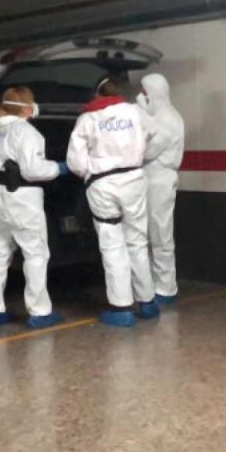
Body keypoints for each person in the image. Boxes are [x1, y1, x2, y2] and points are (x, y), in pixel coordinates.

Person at [67, 78, 158, 327]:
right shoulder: (135, 112)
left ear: (96, 94)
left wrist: (90, 172)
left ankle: (121, 308)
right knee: (137, 241)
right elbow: (153, 135)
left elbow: (75, 162)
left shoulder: (88, 119)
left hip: (103, 184)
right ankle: (148, 302)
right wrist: (136, 155)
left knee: (112, 244)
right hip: (134, 180)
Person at [0, 86, 67, 329]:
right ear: (26, 108)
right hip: (22, 198)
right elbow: (32, 169)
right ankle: (39, 312)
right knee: (35, 253)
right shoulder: (25, 131)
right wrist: (59, 168)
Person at [137, 74, 185, 305]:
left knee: (160, 233)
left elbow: (147, 150)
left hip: (159, 178)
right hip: (151, 178)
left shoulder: (166, 118)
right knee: (149, 233)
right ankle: (152, 285)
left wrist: (143, 117)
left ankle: (165, 288)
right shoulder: (161, 115)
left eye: (144, 92)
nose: (141, 97)